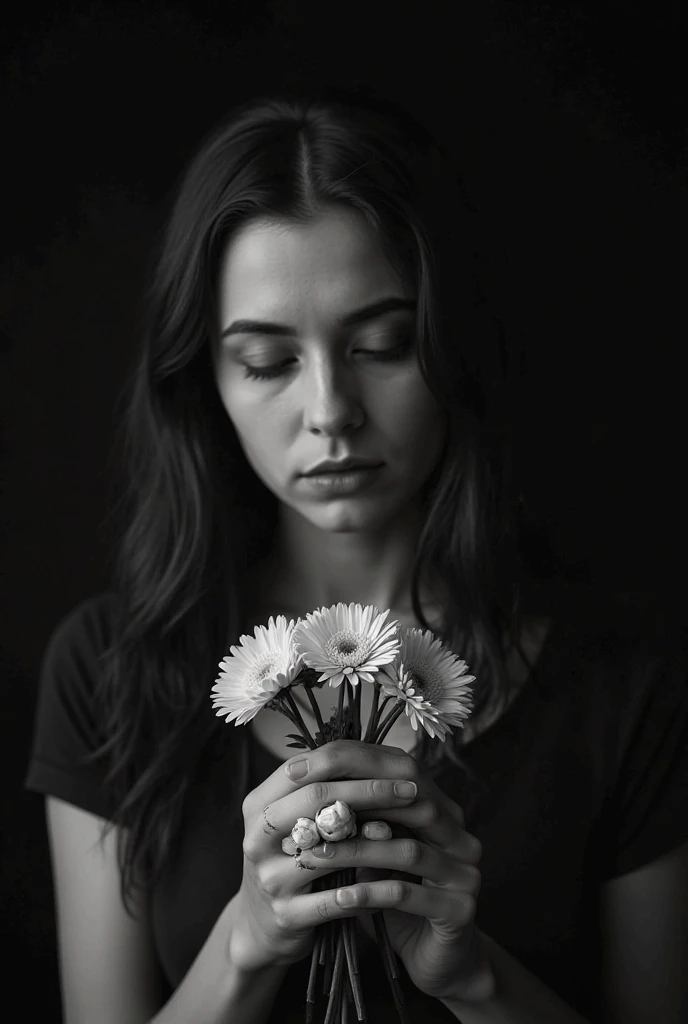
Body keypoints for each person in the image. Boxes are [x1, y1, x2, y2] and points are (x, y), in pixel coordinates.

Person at [24, 85, 688, 1024]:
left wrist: (473, 978)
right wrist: (245, 946)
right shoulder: (107, 673)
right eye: (267, 362)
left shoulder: (623, 690)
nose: (331, 411)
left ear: (453, 346)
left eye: (382, 344)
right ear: (203, 381)